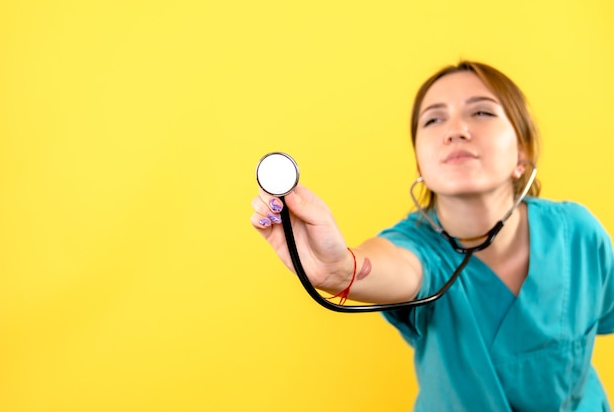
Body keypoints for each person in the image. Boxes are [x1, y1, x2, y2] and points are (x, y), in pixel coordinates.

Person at [250, 61, 614, 411]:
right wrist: (342, 270)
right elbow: (394, 266)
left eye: (482, 112)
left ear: (522, 153)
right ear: (421, 164)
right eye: (434, 119)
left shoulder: (579, 235)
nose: (455, 130)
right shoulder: (419, 247)